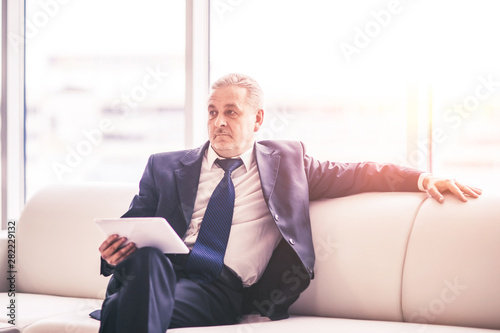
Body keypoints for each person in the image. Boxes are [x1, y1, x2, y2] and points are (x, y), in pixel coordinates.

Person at [96, 73, 481, 333]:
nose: (219, 123)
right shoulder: (164, 166)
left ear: (258, 118)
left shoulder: (288, 164)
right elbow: (133, 224)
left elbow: (359, 171)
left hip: (213, 288)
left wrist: (421, 178)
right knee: (146, 262)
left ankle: (120, 311)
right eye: (212, 112)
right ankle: (129, 303)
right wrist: (113, 252)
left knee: (133, 310)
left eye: (231, 112)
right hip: (155, 269)